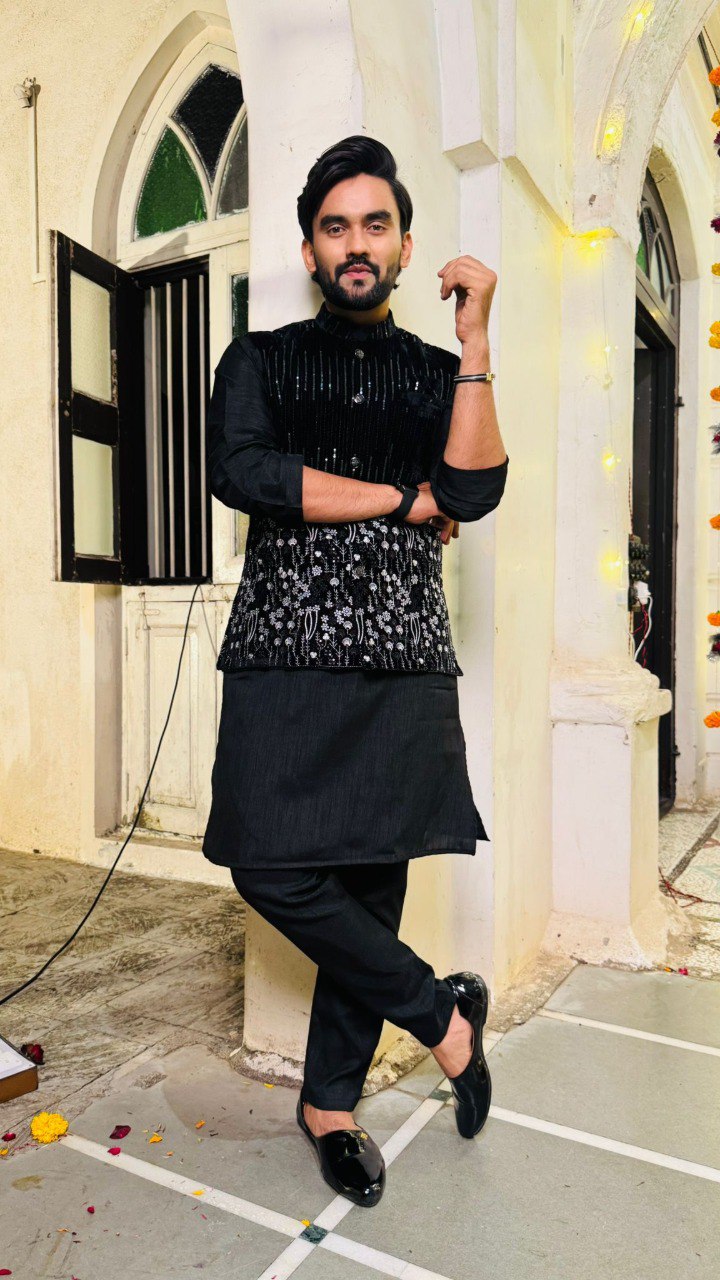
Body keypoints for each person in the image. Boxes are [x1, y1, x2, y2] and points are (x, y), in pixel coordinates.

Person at [202, 135, 509, 1207]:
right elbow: (244, 470)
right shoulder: (262, 361)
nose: (356, 243)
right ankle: (440, 1014)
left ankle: (329, 1104)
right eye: (336, 226)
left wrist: (474, 344)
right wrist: (393, 496)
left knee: (371, 885)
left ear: (405, 243)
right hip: (283, 648)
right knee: (266, 859)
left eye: (375, 223)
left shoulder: (436, 373)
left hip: (400, 658)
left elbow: (470, 493)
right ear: (309, 248)